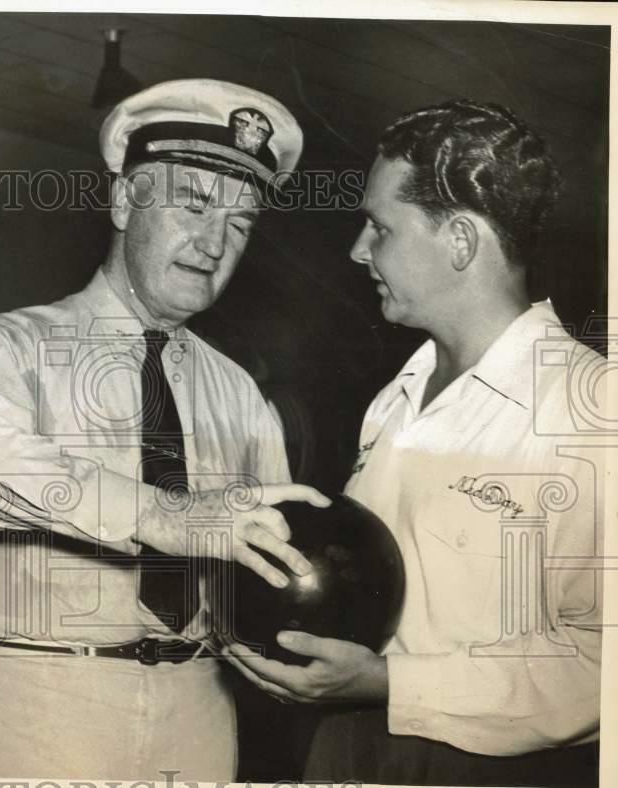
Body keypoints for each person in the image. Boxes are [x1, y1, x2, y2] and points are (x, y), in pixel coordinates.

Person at [0, 79, 329, 780]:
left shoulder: (240, 395)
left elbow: (262, 574)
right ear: (124, 199)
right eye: (193, 204)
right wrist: (163, 515)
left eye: (241, 223)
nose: (214, 242)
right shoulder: (9, 348)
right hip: (36, 703)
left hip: (200, 709)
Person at [225, 99, 602, 786]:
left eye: (379, 227)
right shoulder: (396, 398)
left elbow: (602, 664)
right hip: (346, 748)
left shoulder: (588, 409)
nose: (357, 250)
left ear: (459, 240)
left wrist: (395, 684)